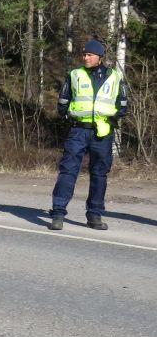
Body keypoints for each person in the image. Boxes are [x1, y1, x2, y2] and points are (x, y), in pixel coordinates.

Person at [47, 39, 128, 231]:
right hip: (78, 130)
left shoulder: (114, 77)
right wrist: (70, 117)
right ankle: (58, 214)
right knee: (68, 171)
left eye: (90, 55)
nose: (86, 57)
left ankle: (94, 215)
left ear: (99, 57)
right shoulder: (74, 75)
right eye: (84, 54)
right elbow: (63, 103)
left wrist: (110, 120)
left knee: (100, 174)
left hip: (102, 132)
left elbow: (122, 105)